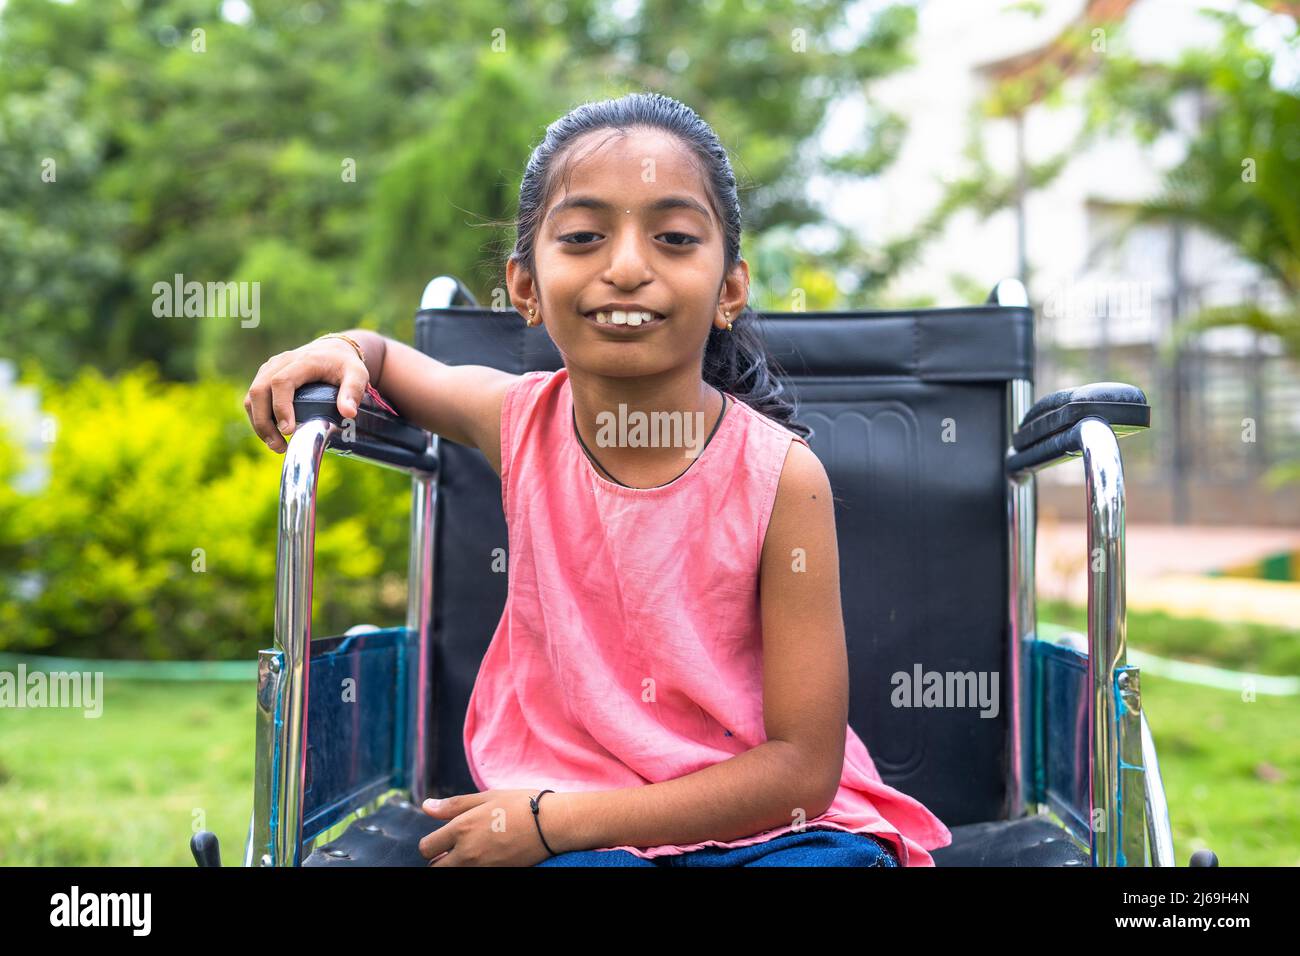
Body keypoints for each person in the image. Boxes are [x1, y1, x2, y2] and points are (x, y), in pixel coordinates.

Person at [243, 91, 952, 868]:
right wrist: (339, 348)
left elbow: (802, 772)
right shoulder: (514, 420)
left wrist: (552, 825)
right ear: (524, 287)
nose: (625, 268)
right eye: (583, 237)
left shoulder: (782, 478)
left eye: (674, 239)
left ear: (729, 289)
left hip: (764, 822)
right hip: (566, 797)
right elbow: (382, 359)